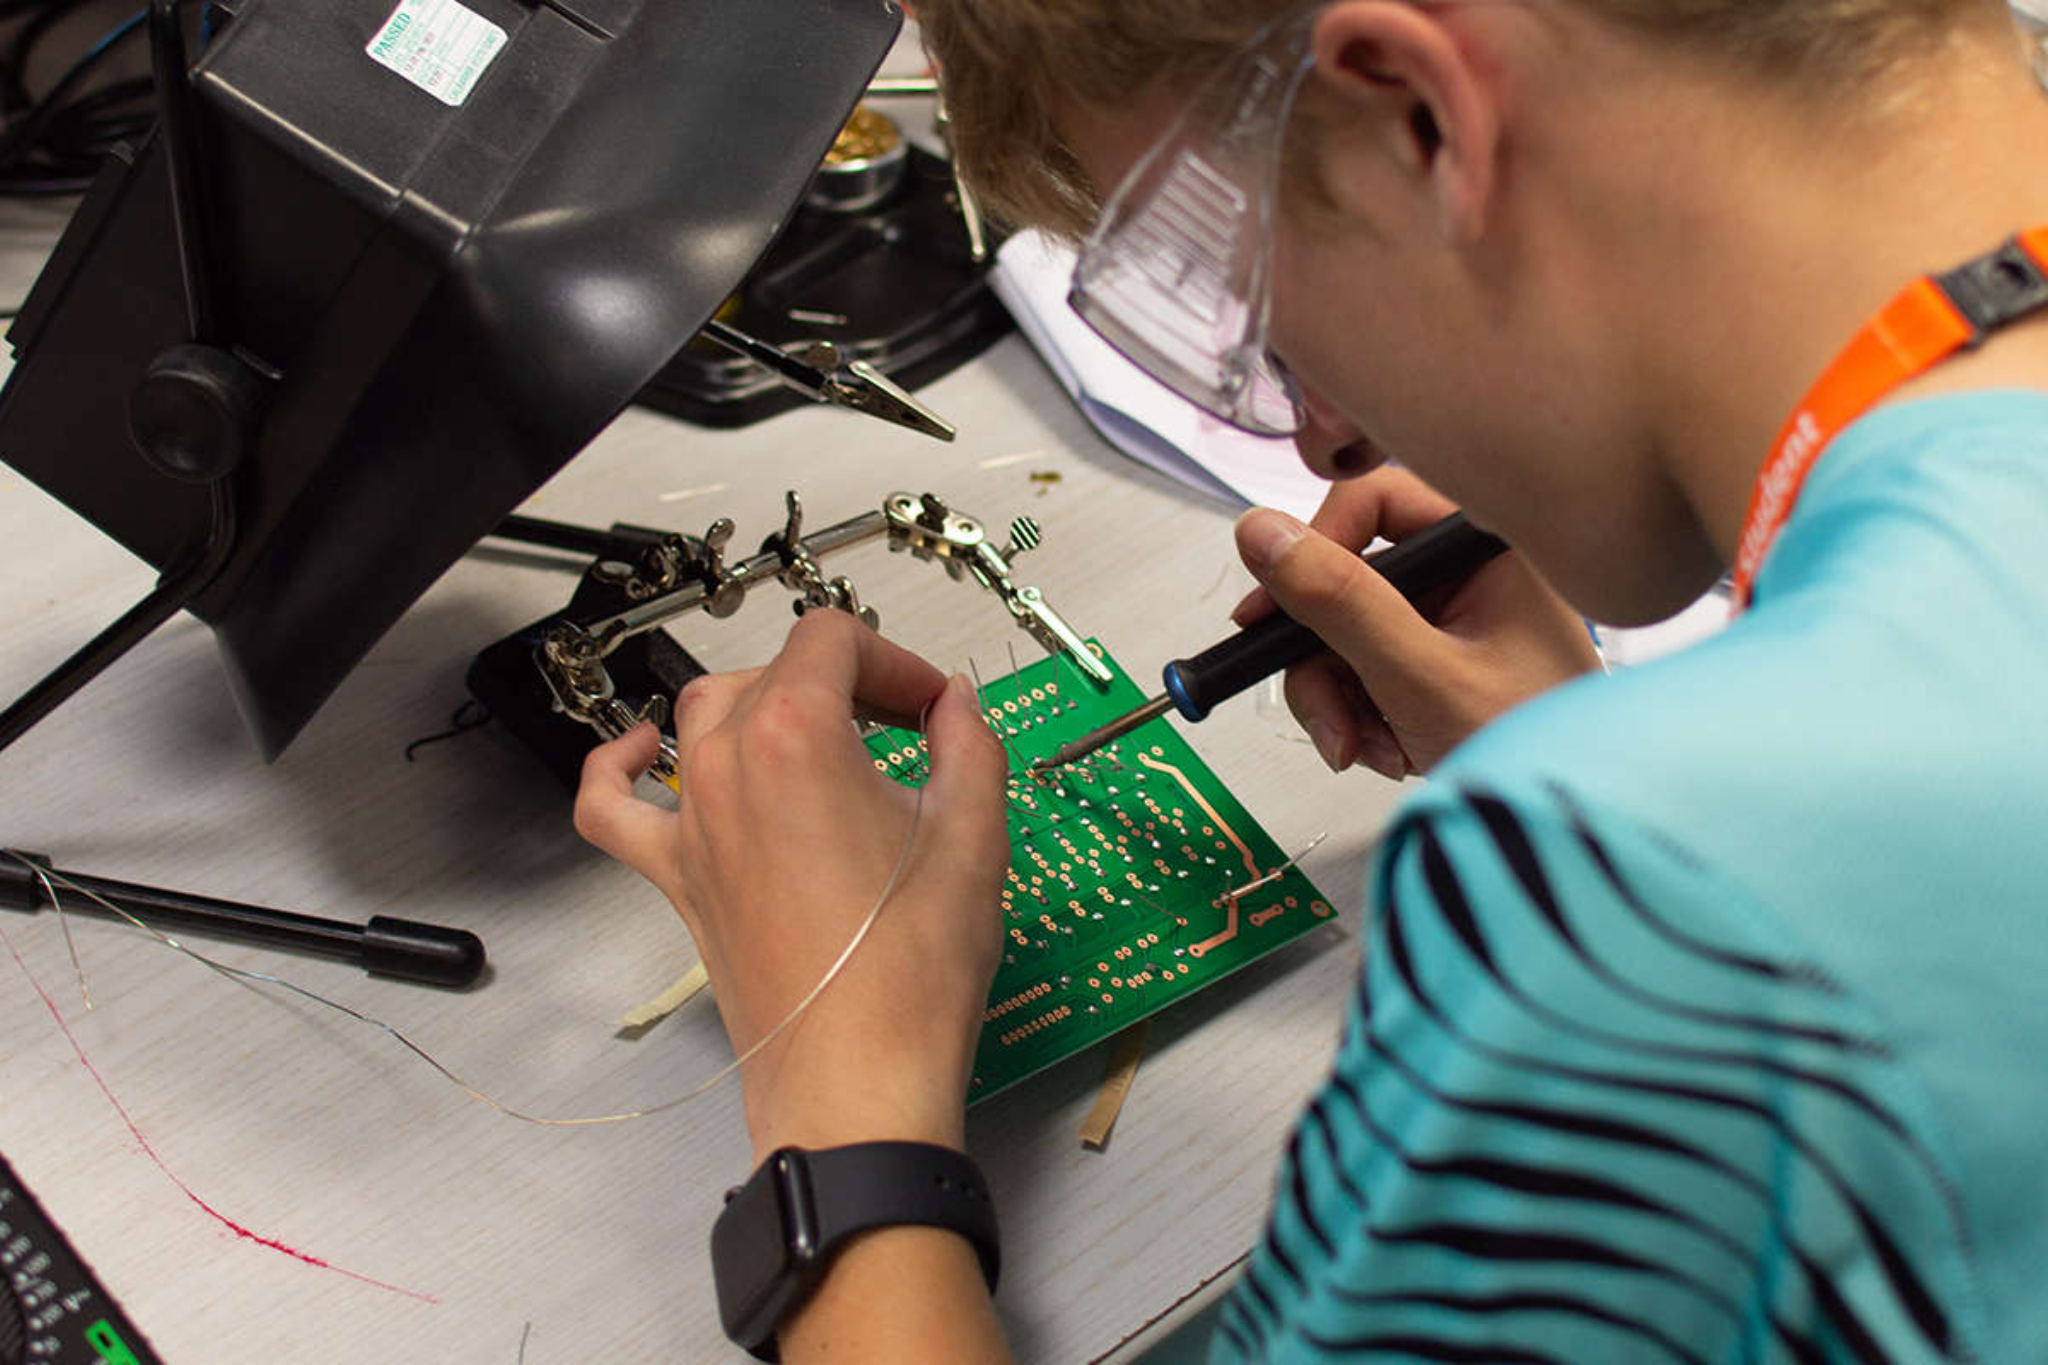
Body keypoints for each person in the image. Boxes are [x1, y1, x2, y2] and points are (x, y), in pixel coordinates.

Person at [572, 0, 2048, 1358]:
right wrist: (1586, 772)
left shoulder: (1659, 877)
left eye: (1251, 307)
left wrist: (839, 1118)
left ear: (1418, 113)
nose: (1322, 445)